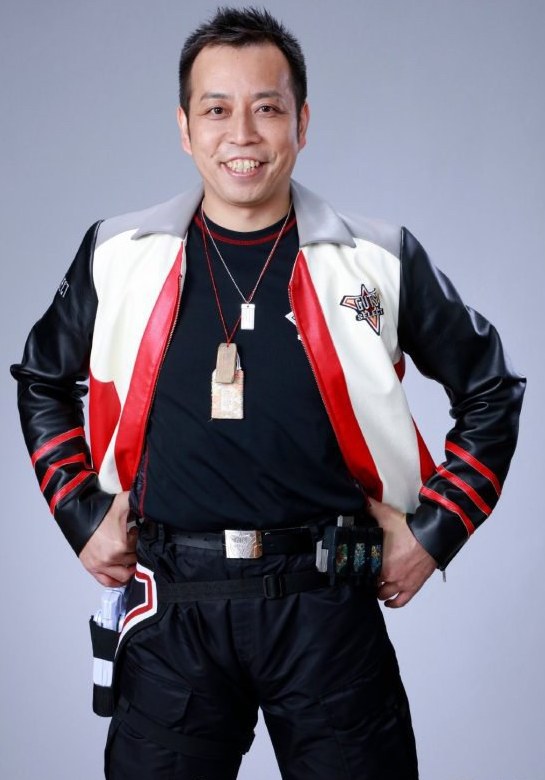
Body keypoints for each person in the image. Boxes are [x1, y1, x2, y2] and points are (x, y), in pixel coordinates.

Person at [11, 7, 525, 780]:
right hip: (172, 611)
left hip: (327, 610)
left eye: (267, 108)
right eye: (216, 110)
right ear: (185, 128)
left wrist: (435, 532)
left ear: (301, 122)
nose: (242, 134)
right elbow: (42, 377)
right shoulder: (119, 254)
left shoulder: (376, 260)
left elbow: (490, 388)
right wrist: (79, 516)